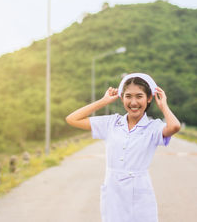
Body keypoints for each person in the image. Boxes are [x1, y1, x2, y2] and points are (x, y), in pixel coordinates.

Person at [65, 73, 181, 222]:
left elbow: (174, 126)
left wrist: (163, 106)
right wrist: (103, 101)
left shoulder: (153, 127)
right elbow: (72, 119)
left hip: (140, 192)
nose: (133, 102)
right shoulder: (111, 123)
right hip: (113, 192)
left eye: (139, 96)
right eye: (128, 96)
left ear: (149, 98)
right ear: (122, 97)